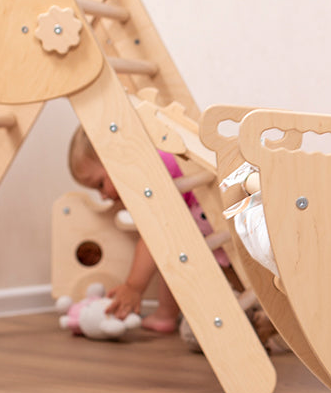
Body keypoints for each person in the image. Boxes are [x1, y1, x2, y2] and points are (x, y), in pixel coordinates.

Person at [67, 126, 231, 334]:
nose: (103, 196)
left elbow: (153, 236)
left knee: (168, 244)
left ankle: (167, 314)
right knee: (174, 246)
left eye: (100, 184)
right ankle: (165, 315)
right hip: (209, 212)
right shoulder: (160, 156)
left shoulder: (153, 168)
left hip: (211, 213)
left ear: (117, 157)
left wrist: (133, 287)